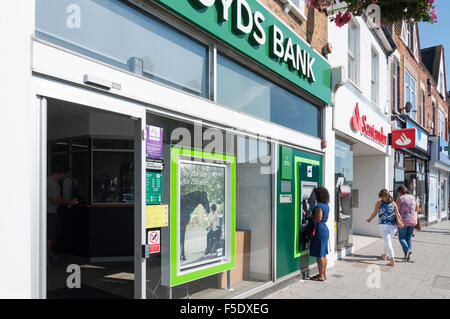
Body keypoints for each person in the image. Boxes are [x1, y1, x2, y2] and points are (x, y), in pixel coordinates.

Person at [367, 189, 404, 266]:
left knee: (388, 242)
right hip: (393, 226)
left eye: (382, 196)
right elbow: (398, 214)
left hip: (383, 226)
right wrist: (401, 222)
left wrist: (370, 219)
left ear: (386, 196)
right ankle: (384, 254)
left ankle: (392, 260)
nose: (382, 198)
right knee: (388, 241)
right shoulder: (393, 203)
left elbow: (374, 213)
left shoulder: (379, 203)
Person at [47, 167, 77, 263]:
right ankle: (46, 259)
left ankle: (49, 254)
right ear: (61, 173)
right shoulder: (52, 183)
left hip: (49, 212)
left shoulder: (47, 181)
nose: (66, 177)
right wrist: (69, 201)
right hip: (49, 212)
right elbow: (55, 199)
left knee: (50, 235)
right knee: (50, 236)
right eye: (66, 175)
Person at [309, 186, 330, 281]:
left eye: (315, 194)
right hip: (324, 229)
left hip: (319, 230)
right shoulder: (326, 206)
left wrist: (310, 215)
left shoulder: (319, 206)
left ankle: (321, 276)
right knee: (323, 254)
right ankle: (323, 274)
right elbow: (326, 219)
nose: (314, 196)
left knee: (319, 255)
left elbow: (318, 219)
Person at [396, 185, 418, 261]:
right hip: (413, 220)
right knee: (408, 237)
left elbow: (397, 211)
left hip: (403, 221)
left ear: (399, 192)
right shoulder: (413, 197)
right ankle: (407, 255)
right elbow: (417, 209)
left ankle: (407, 249)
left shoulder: (399, 198)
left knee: (401, 238)